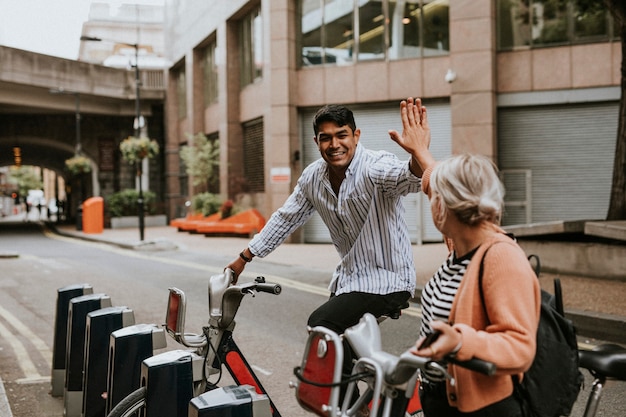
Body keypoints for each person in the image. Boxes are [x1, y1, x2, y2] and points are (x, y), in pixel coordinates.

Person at [225, 98, 435, 412]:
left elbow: (408, 176)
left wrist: (418, 152)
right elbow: (286, 217)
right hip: (351, 282)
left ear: (356, 135)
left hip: (388, 281)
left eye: (342, 135)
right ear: (316, 142)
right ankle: (369, 404)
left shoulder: (374, 166)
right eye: (326, 138)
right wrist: (244, 257)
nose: (334, 144)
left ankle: (358, 410)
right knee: (339, 352)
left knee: (322, 325)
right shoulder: (313, 178)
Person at [407, 153, 542, 417]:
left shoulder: (501, 257)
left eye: (434, 197)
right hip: (439, 398)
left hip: (483, 408)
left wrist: (459, 342)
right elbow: (435, 182)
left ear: (445, 207)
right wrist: (419, 150)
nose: (430, 199)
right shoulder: (460, 245)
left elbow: (521, 346)